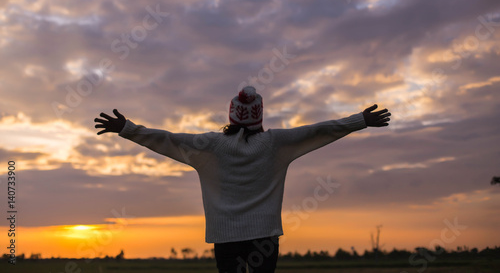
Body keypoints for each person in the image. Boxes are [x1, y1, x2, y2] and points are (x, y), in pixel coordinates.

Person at [94, 86, 391, 273]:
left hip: (226, 238)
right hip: (265, 237)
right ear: (259, 117)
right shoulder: (275, 143)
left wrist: (127, 129)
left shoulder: (209, 146)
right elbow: (318, 131)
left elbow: (167, 139)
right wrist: (360, 120)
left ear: (232, 116)